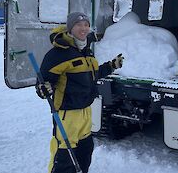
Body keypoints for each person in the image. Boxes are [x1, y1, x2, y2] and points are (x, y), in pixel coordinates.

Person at [36, 12, 123, 173]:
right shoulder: (57, 54)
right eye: (78, 24)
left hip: (85, 110)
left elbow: (92, 74)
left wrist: (112, 65)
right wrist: (44, 88)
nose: (83, 28)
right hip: (67, 113)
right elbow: (43, 84)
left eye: (86, 25)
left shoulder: (86, 51)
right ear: (70, 28)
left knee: (85, 150)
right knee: (65, 154)